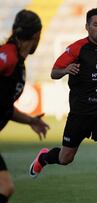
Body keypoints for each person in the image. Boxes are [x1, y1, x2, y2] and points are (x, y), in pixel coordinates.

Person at [29, 8, 97, 203]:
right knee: (65, 158)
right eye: (96, 25)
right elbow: (54, 72)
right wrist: (66, 70)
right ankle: (44, 158)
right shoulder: (77, 48)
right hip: (81, 112)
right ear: (87, 27)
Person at [0, 10, 49, 203]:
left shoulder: (17, 62)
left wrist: (30, 120)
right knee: (5, 186)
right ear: (36, 35)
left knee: (5, 186)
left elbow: (4, 107)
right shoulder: (8, 55)